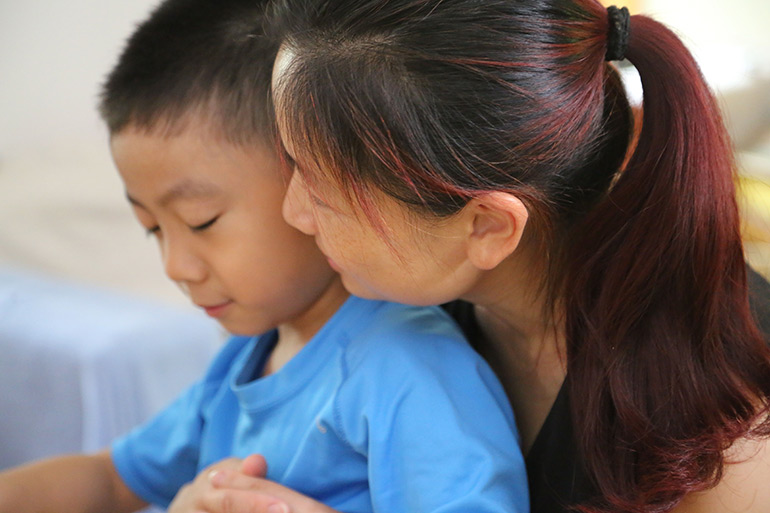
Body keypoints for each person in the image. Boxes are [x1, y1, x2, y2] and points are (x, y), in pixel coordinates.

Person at [177, 0, 770, 512]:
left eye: (325, 193)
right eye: (292, 164)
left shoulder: (725, 428)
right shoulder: (408, 309)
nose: (295, 216)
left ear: (486, 227)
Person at [0, 0, 530, 512]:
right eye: (152, 230)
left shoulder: (407, 365)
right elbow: (112, 479)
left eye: (201, 221)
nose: (176, 267)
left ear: (317, 177)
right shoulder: (247, 357)